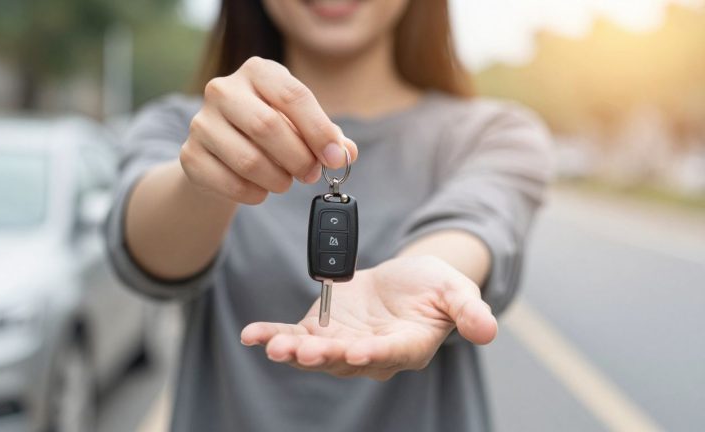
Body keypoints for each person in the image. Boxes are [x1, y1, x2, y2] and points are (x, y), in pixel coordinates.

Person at [105, 0, 553, 431]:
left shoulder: (497, 133)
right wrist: (205, 173)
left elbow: (476, 220)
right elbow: (146, 251)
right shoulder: (188, 127)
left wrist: (435, 273)